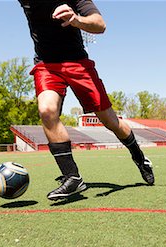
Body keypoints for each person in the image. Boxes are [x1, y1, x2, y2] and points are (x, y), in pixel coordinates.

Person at [18, 0, 155, 200]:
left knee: (110, 121)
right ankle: (72, 177)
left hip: (78, 64)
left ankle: (139, 158)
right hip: (46, 65)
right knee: (47, 110)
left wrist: (76, 20)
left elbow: (100, 24)